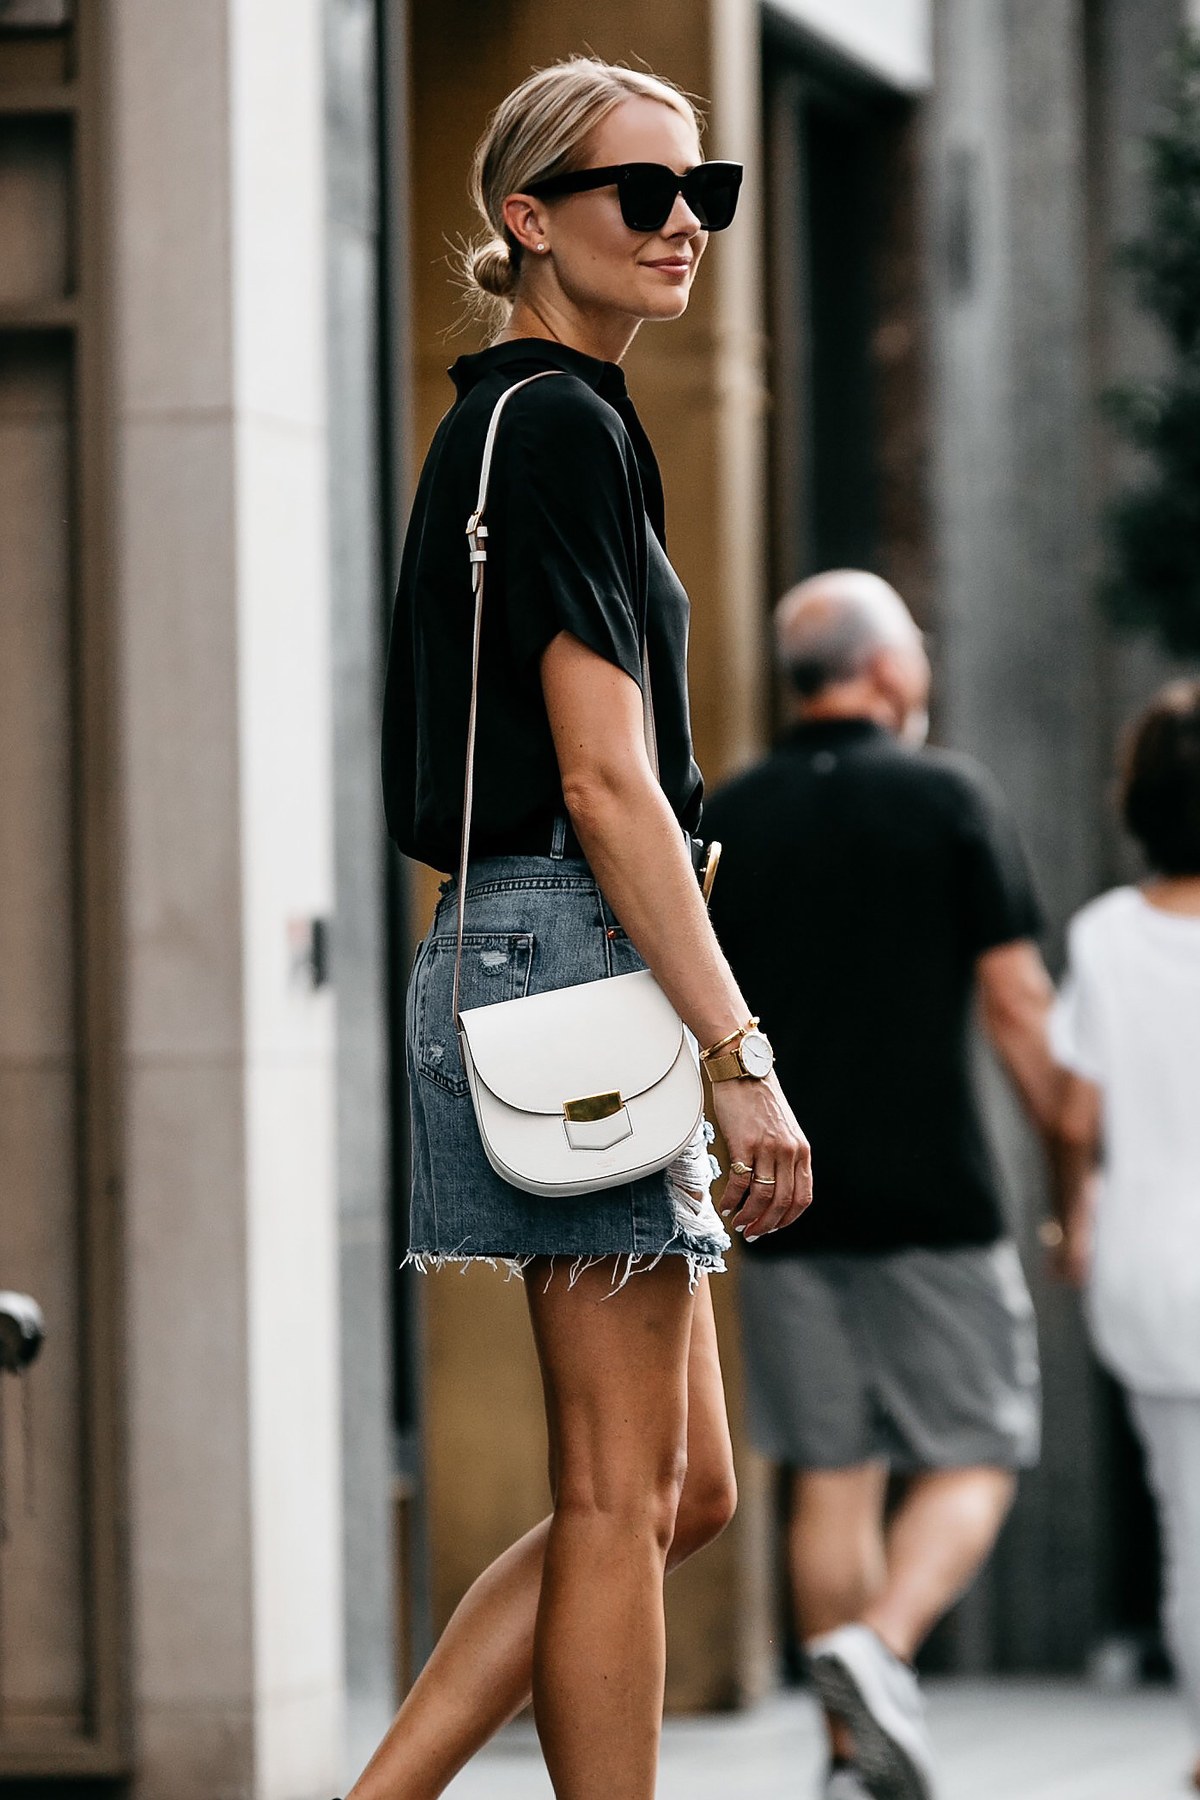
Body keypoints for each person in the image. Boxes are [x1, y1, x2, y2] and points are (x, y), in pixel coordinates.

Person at [355, 57, 812, 1800]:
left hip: (554, 941)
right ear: (528, 220)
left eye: (709, 189)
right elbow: (609, 782)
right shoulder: (550, 423)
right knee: (621, 1492)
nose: (686, 221)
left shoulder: (541, 421)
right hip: (576, 943)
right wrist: (740, 1052)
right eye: (645, 193)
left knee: (683, 1489)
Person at [704, 571, 1057, 1800]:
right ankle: (880, 1645)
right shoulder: (949, 794)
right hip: (936, 1195)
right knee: (980, 1445)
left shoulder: (732, 815)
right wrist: (1072, 1150)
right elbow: (1019, 1007)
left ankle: (855, 1760)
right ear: (889, 673)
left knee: (832, 1468)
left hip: (783, 1196)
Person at [1050, 680, 1200, 1796]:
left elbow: (1074, 1113)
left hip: (1151, 1265)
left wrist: (1075, 1220)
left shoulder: (1104, 934)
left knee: (1187, 1519)